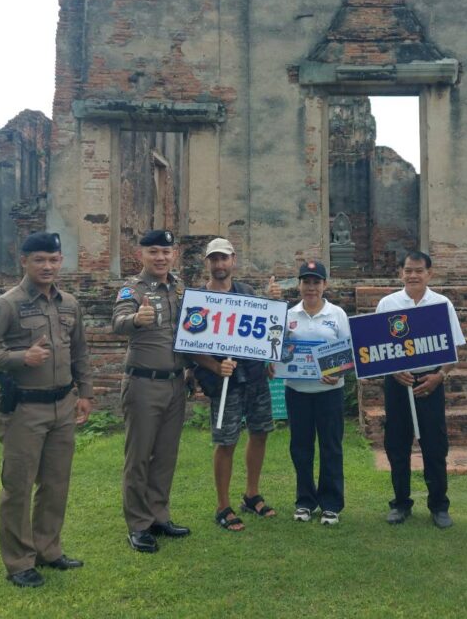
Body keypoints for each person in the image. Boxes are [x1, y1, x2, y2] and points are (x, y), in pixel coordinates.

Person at [0, 232, 93, 588]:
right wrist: (22, 357)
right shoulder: (7, 304)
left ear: (61, 261)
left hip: (63, 406)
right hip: (25, 409)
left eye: (53, 259)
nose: (47, 266)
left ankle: (48, 549)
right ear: (23, 261)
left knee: (56, 484)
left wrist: (85, 392)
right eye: (39, 259)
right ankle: (19, 562)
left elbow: (80, 351)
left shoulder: (69, 304)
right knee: (19, 487)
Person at [112, 229, 191, 554]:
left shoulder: (180, 288)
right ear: (140, 255)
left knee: (166, 456)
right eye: (153, 252)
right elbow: (117, 322)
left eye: (166, 252)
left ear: (174, 254)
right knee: (139, 457)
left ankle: (159, 515)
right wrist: (136, 318)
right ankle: (138, 525)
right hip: (143, 384)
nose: (161, 257)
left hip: (175, 383)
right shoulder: (133, 289)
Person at [189, 237, 276, 531]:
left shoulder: (247, 293)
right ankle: (222, 506)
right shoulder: (199, 300)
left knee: (260, 432)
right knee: (226, 441)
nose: (219, 264)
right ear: (207, 263)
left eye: (223, 258)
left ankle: (251, 495)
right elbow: (190, 345)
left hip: (254, 376)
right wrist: (215, 366)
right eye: (214, 259)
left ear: (233, 260)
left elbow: (263, 331)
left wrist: (269, 357)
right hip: (224, 380)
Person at [377, 250, 466, 528]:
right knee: (397, 444)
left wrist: (440, 376)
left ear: (429, 273)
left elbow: (454, 350)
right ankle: (400, 503)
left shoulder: (441, 304)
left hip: (430, 382)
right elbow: (375, 347)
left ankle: (439, 506)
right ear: (400, 273)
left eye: (419, 270)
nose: (413, 275)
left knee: (435, 445)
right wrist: (393, 370)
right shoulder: (388, 304)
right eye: (408, 270)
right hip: (398, 383)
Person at [280, 260, 351, 525]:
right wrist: (275, 364)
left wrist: (339, 373)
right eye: (306, 282)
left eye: (316, 282)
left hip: (329, 392)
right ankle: (305, 501)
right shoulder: (289, 315)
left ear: (324, 285)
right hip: (297, 391)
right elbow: (279, 350)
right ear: (299, 285)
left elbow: (348, 352)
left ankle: (331, 504)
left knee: (331, 447)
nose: (311, 287)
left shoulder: (337, 314)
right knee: (301, 448)